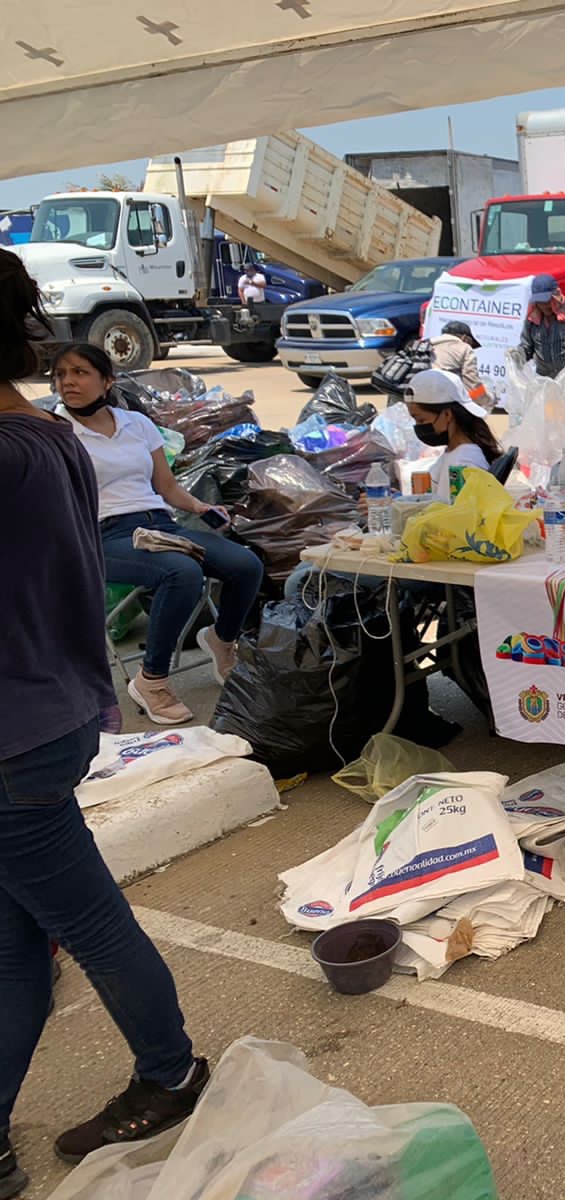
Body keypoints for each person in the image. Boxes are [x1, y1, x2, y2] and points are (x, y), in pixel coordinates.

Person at [0, 248, 209, 1200]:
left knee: (84, 920)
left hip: (15, 731)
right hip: (51, 707)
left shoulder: (26, 450)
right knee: (17, 938)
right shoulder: (48, 440)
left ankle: (170, 1072)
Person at [55, 343, 264, 727]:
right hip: (101, 536)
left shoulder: (137, 424)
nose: (68, 381)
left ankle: (221, 638)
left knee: (245, 564)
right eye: (61, 374)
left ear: (107, 382)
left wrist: (200, 508)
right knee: (181, 572)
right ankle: (152, 680)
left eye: (80, 372)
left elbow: (166, 486)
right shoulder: (57, 432)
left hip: (158, 524)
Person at [405, 368, 502, 498]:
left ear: (447, 414)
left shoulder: (465, 462)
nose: (418, 426)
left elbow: (462, 513)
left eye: (421, 420)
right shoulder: (453, 451)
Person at [431, 320, 489, 407]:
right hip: (443, 399)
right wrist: (488, 399)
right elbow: (472, 385)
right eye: (471, 342)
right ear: (465, 338)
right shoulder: (464, 348)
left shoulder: (426, 344)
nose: (471, 346)